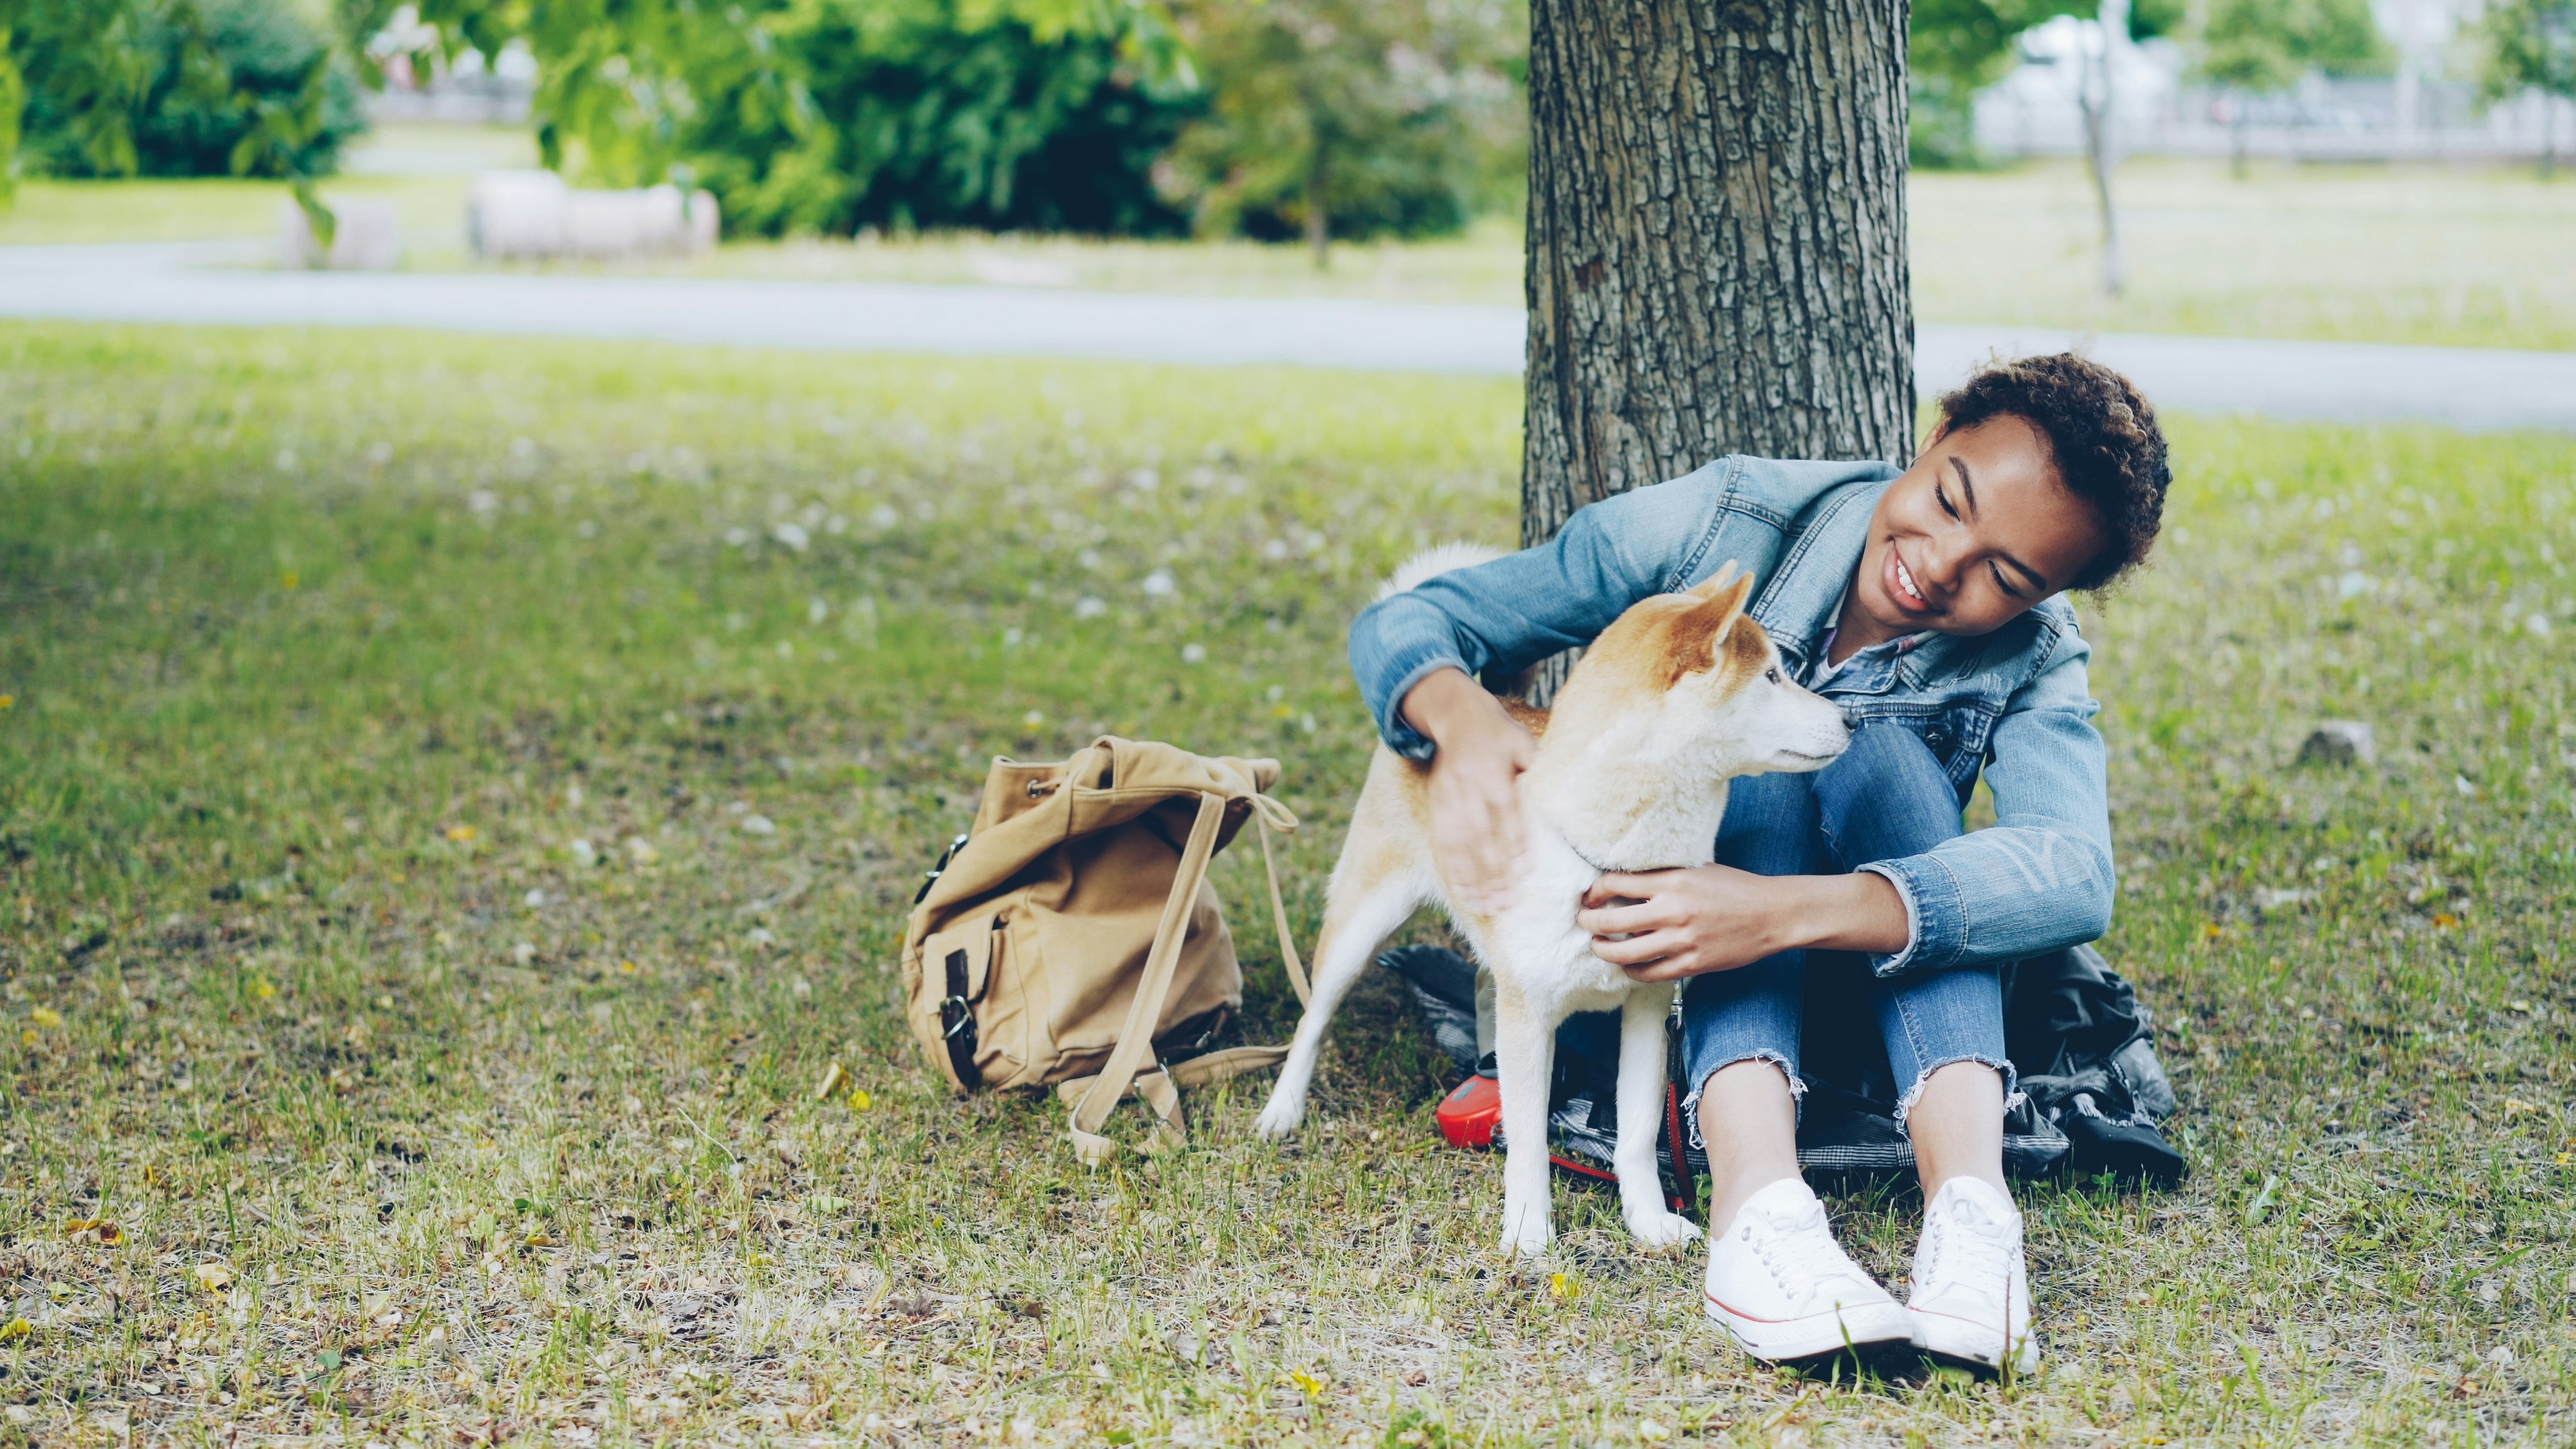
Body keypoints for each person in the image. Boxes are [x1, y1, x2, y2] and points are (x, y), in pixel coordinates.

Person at [1348, 354, 2170, 1373]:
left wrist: (1779, 911)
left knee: (1889, 760)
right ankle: (1757, 1210)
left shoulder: (2037, 651)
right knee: (1753, 781)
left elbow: (2074, 869)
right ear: (1930, 439)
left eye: (2006, 577)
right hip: (1679, 984)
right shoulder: (1726, 520)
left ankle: (1973, 1219)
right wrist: (1460, 717)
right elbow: (1412, 621)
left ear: (2045, 596)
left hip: (1881, 1006)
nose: (1942, 563)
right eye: (1949, 499)